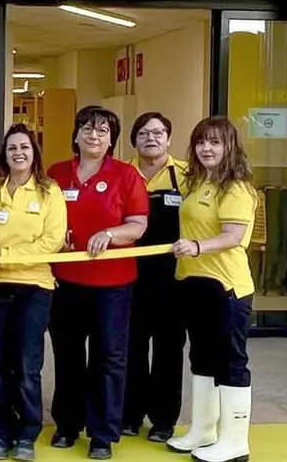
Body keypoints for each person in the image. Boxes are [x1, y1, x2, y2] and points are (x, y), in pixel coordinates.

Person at [46, 106, 149, 460]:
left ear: (111, 139)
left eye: (103, 131)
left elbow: (138, 225)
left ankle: (102, 433)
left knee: (109, 358)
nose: (94, 136)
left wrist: (110, 234)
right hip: (66, 282)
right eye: (87, 129)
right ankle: (67, 424)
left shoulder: (126, 175)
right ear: (75, 135)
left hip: (112, 285)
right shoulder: (56, 173)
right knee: (68, 356)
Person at [0, 124, 66, 462]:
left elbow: (51, 243)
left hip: (34, 287)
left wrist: (4, 255)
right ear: (4, 154)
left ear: (34, 152)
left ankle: (26, 433)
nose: (18, 153)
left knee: (26, 365)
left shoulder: (49, 191)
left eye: (24, 147)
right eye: (12, 148)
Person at [167, 117, 257, 462]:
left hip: (226, 287)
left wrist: (197, 246)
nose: (207, 148)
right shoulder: (198, 181)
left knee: (230, 361)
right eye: (201, 142)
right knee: (201, 358)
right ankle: (203, 431)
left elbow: (233, 236)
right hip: (194, 282)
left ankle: (235, 442)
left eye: (215, 142)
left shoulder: (237, 188)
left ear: (230, 146)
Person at [120, 112, 188, 443]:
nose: (152, 138)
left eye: (159, 132)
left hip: (172, 276)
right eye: (144, 133)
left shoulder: (187, 175)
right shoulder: (121, 173)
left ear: (169, 139)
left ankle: (163, 419)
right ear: (134, 140)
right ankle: (129, 414)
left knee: (169, 349)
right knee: (130, 347)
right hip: (128, 273)